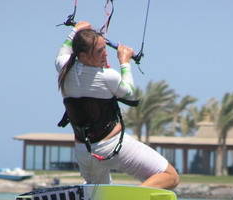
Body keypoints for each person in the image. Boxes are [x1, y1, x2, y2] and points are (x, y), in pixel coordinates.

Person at [55, 21, 179, 189]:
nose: (105, 54)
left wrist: (75, 30)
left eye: (105, 48)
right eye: (99, 51)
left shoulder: (63, 67)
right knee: (169, 176)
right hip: (112, 147)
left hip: (84, 152)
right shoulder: (108, 76)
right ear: (83, 56)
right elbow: (131, 94)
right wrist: (124, 62)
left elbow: (64, 50)